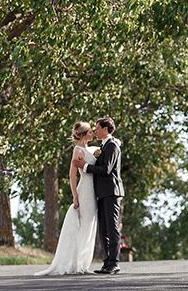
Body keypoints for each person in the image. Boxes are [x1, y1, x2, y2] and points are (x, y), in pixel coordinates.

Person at [34, 121, 98, 276]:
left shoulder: (92, 149)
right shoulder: (77, 150)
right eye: (90, 131)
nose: (93, 133)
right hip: (85, 191)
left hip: (94, 192)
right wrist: (75, 196)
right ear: (84, 134)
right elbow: (72, 175)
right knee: (82, 227)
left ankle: (84, 264)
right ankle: (76, 265)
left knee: (90, 227)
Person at [72, 116, 124, 274]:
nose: (95, 130)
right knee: (103, 229)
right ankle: (107, 262)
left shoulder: (112, 146)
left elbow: (106, 170)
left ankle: (114, 263)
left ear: (106, 129)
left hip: (111, 192)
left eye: (98, 128)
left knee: (112, 228)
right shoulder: (104, 145)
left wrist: (85, 166)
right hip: (101, 193)